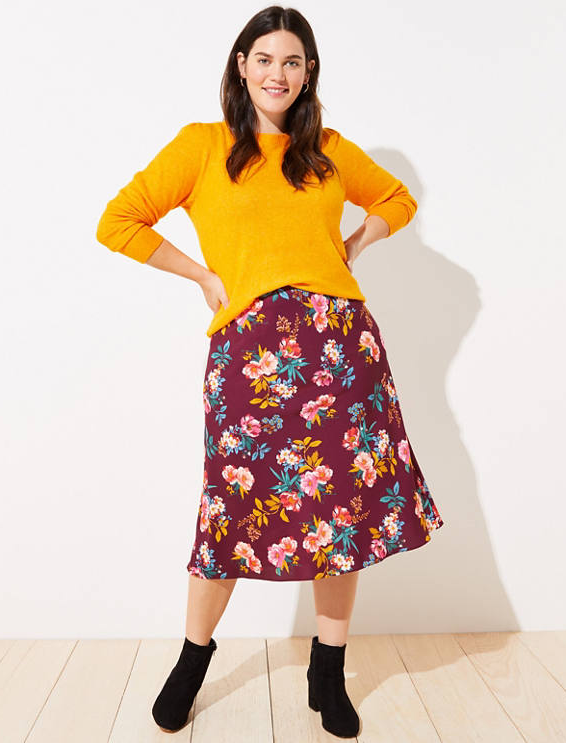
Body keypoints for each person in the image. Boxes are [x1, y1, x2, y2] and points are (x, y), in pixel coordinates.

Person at [96, 5, 445, 739]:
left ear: (308, 73)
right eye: (263, 59)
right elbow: (118, 221)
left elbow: (397, 198)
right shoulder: (201, 146)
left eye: (291, 62)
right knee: (229, 509)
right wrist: (202, 276)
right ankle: (192, 661)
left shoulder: (328, 151)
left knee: (339, 516)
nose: (276, 74)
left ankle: (328, 669)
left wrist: (355, 242)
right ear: (241, 65)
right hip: (249, 356)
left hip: (339, 349)